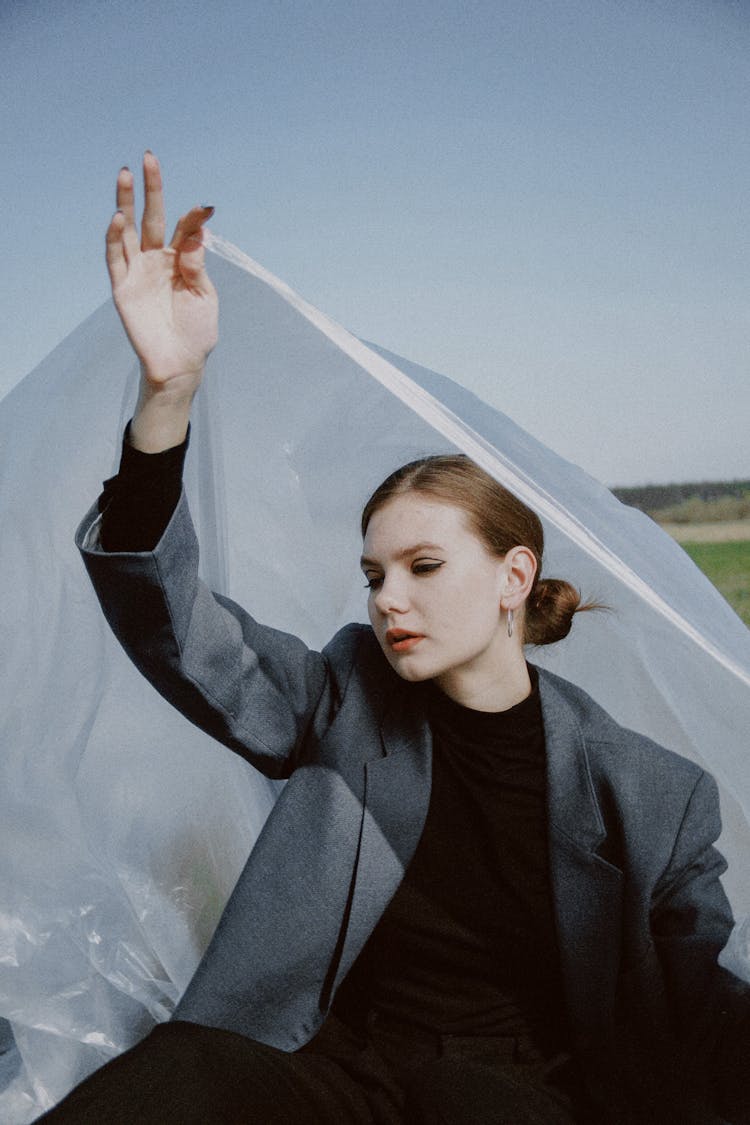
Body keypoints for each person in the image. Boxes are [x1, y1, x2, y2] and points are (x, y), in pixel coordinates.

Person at [42, 154, 749, 1124]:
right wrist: (168, 397)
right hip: (326, 1064)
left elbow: (705, 1011)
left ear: (514, 578)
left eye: (424, 567)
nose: (387, 600)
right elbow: (178, 631)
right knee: (155, 1089)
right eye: (374, 575)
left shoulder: (655, 798)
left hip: (513, 1092)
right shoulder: (340, 695)